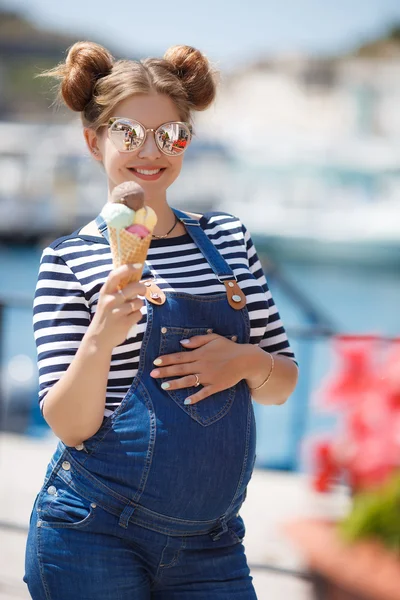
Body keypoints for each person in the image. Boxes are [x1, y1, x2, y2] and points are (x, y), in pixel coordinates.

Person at [24, 41, 298, 599]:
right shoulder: (69, 260)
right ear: (92, 140)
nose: (150, 150)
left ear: (186, 143)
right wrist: (102, 335)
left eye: (170, 135)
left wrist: (245, 360)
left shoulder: (228, 239)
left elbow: (282, 384)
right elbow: (69, 425)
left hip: (214, 543)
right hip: (92, 533)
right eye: (127, 133)